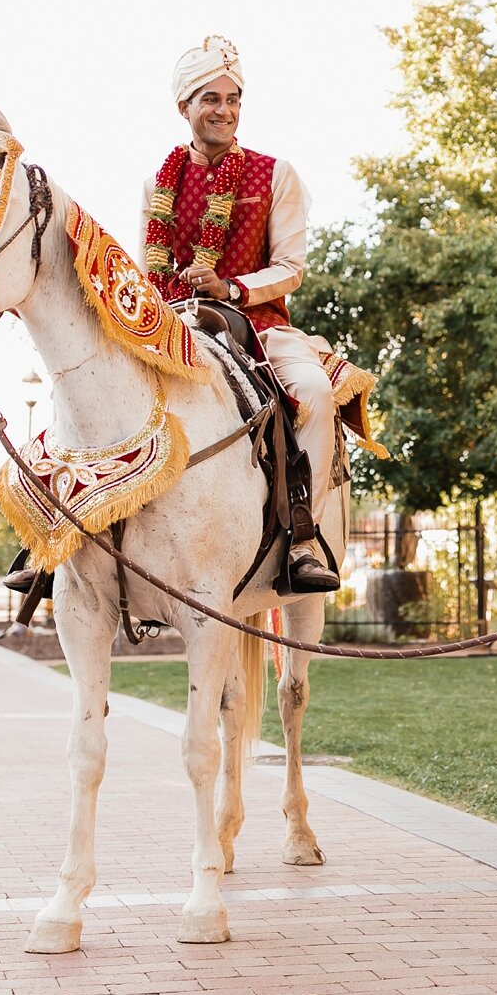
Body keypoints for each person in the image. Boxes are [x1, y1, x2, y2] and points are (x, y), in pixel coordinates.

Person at [141, 35, 340, 593]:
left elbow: (291, 266)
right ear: (185, 107)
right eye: (211, 99)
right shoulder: (159, 183)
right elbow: (147, 268)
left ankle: (304, 537)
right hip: (174, 327)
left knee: (316, 394)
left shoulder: (276, 174)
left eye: (233, 100)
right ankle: (70, 530)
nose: (224, 111)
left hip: (260, 325)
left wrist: (230, 287)